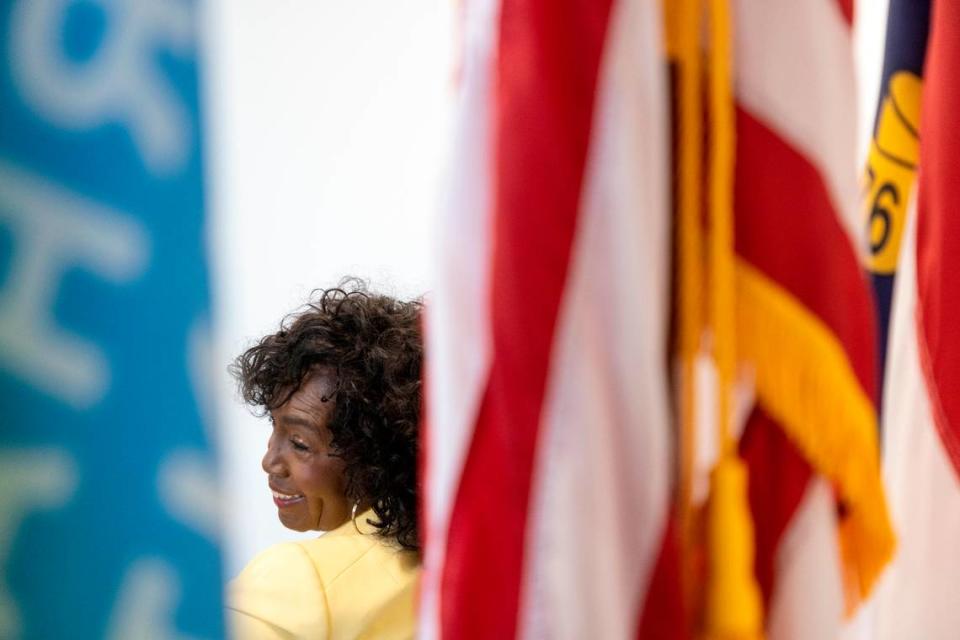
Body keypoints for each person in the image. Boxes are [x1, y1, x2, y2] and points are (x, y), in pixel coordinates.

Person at [226, 280, 422, 639]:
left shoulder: (293, 584)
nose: (270, 462)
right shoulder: (467, 571)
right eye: (276, 428)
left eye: (300, 443)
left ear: (374, 455)